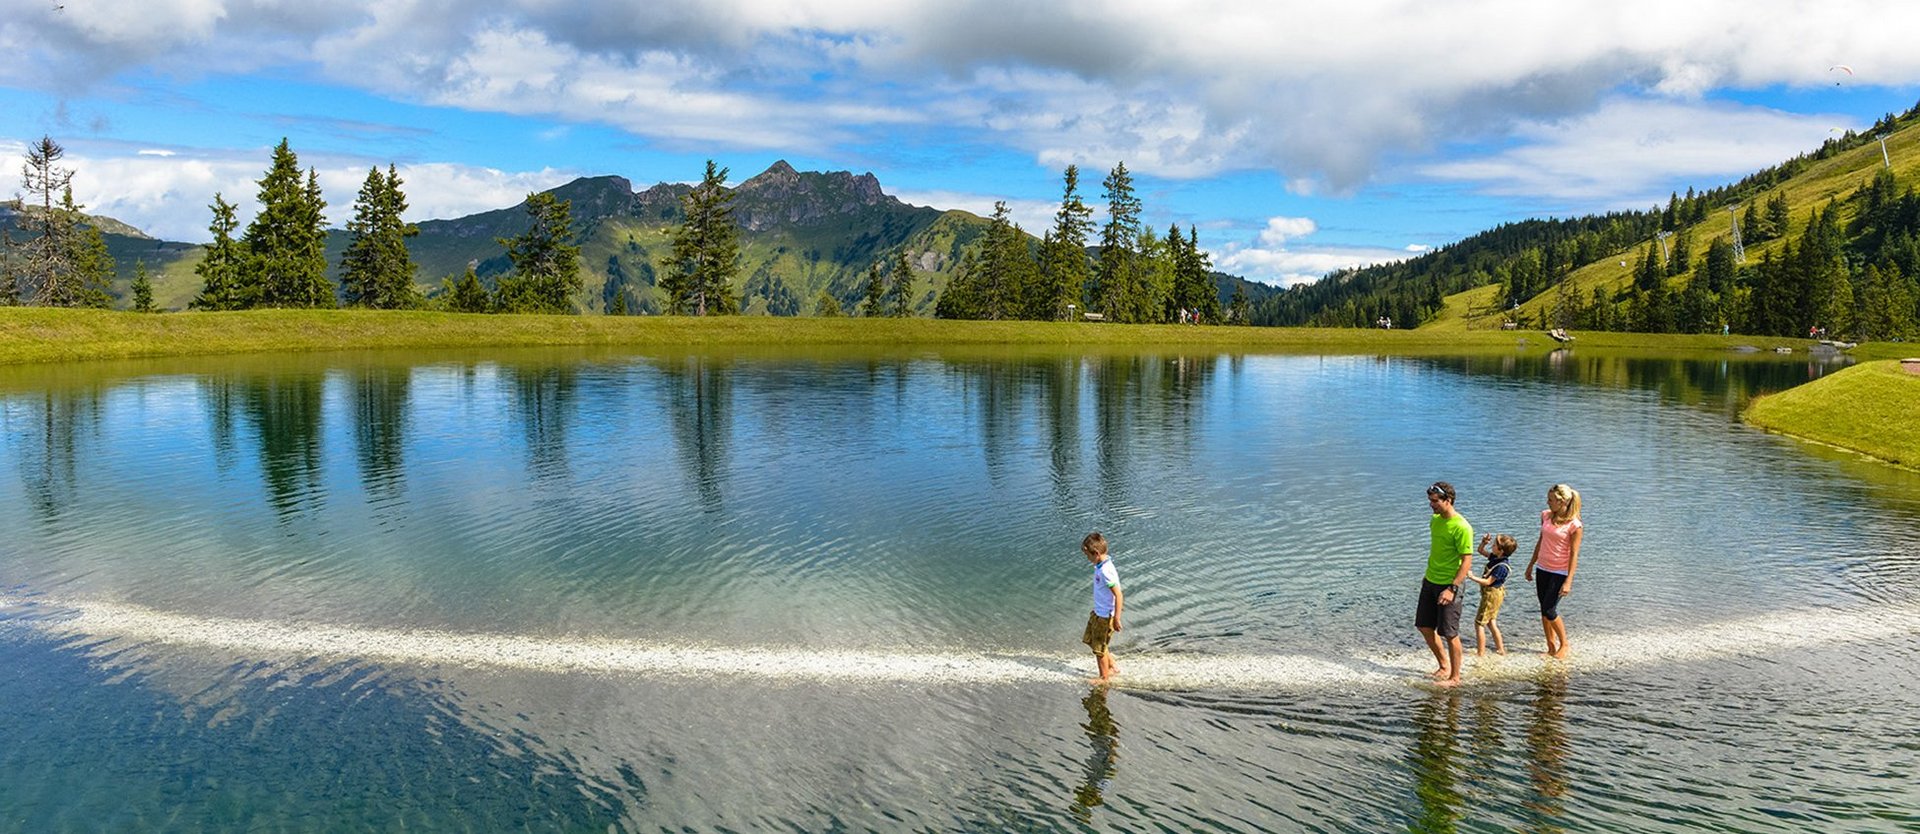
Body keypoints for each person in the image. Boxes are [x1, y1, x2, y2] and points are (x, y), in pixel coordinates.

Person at [1417, 482, 1474, 687]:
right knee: (1424, 626)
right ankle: (1443, 665)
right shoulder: (1435, 520)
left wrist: (1452, 588)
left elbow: (1467, 561)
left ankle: (1455, 678)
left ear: (1447, 501)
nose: (1431, 505)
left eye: (1435, 501)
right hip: (1430, 580)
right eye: (1430, 500)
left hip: (1449, 585)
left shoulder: (1462, 527)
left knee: (1450, 633)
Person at [1524, 484, 1584, 659]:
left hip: (1559, 571)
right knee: (1543, 609)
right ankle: (1550, 646)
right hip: (1542, 568)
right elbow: (1540, 541)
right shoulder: (1545, 516)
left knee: (1550, 610)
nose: (1547, 502)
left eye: (1551, 500)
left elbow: (1574, 554)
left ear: (1562, 501)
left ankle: (1564, 644)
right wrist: (1530, 565)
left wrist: (1569, 581)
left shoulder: (1575, 525)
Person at [1081, 532, 1124, 684]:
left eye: (1088, 555)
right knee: (1091, 640)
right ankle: (1113, 667)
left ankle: (1104, 678)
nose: (1088, 559)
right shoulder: (1101, 565)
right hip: (1098, 613)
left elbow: (1118, 595)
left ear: (1096, 553)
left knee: (1099, 649)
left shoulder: (1106, 571)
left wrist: (1117, 618)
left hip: (1105, 616)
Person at [1466, 533, 1517, 656]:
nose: (1492, 546)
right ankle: (1500, 649)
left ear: (1501, 550)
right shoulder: (1496, 558)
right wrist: (1484, 542)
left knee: (1479, 623)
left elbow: (1488, 582)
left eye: (1494, 545)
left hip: (1492, 595)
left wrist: (1472, 577)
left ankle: (1481, 652)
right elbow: (1480, 550)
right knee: (1491, 621)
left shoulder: (1501, 567)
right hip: (1495, 594)